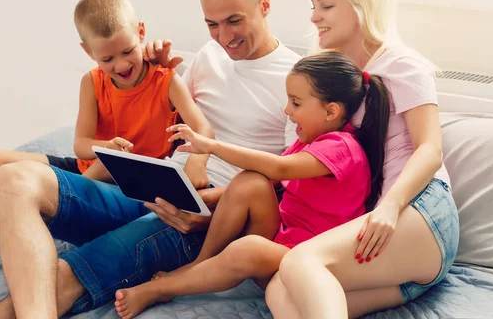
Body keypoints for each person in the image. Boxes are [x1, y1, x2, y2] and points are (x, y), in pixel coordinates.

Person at [0, 0, 299, 319]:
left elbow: (289, 182)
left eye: (234, 20)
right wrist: (148, 61)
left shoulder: (295, 80)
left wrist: (214, 208)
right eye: (211, 24)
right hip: (149, 185)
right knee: (11, 177)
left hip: (193, 214)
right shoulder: (209, 56)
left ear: (264, 5)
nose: (224, 36)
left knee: (64, 274)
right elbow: (166, 106)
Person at [112, 51, 390, 319]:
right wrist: (209, 197)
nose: (287, 111)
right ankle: (199, 265)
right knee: (249, 181)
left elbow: (278, 167)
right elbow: (270, 179)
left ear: (331, 111)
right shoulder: (310, 141)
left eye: (295, 103)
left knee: (249, 248)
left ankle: (159, 290)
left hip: (307, 258)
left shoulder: (342, 147)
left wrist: (211, 145)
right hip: (283, 238)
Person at [265, 0, 460, 319]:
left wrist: (390, 206)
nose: (313, 17)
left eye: (326, 6)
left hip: (419, 209)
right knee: (281, 288)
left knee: (298, 262)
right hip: (392, 249)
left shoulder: (403, 65)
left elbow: (430, 150)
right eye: (313, 6)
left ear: (361, 6)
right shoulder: (331, 77)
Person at [0, 0, 206, 223]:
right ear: (88, 51)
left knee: (110, 164)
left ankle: (41, 204)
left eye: (127, 51)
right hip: (87, 170)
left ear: (140, 32)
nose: (121, 65)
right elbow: (81, 145)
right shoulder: (91, 82)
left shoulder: (166, 80)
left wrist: (198, 164)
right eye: (107, 59)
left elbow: (203, 128)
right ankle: (37, 201)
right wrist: (107, 147)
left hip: (133, 179)